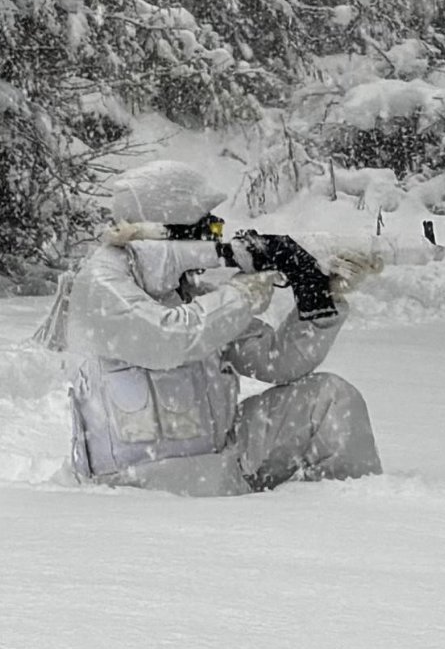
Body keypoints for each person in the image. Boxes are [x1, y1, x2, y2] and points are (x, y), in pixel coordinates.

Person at [43, 153, 378, 495]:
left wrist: (318, 296)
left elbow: (278, 361)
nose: (213, 238)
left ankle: (344, 518)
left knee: (330, 400)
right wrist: (240, 295)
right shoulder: (99, 284)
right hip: (133, 491)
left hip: (218, 469)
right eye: (204, 227)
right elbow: (167, 339)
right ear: (165, 224)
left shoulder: (186, 293)